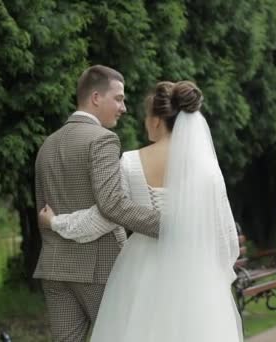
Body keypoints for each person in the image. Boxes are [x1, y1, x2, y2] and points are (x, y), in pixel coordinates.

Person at [39, 81, 243, 341]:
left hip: (143, 268)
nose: (145, 122)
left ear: (157, 120)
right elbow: (225, 234)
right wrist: (214, 275)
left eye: (147, 116)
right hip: (196, 270)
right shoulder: (208, 169)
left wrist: (56, 222)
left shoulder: (132, 162)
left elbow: (103, 217)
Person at [33, 65, 161, 342]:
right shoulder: (102, 139)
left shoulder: (48, 145)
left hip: (55, 268)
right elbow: (112, 204)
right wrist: (166, 225)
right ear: (95, 98)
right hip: (99, 267)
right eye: (118, 98)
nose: (123, 107)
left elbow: (43, 209)